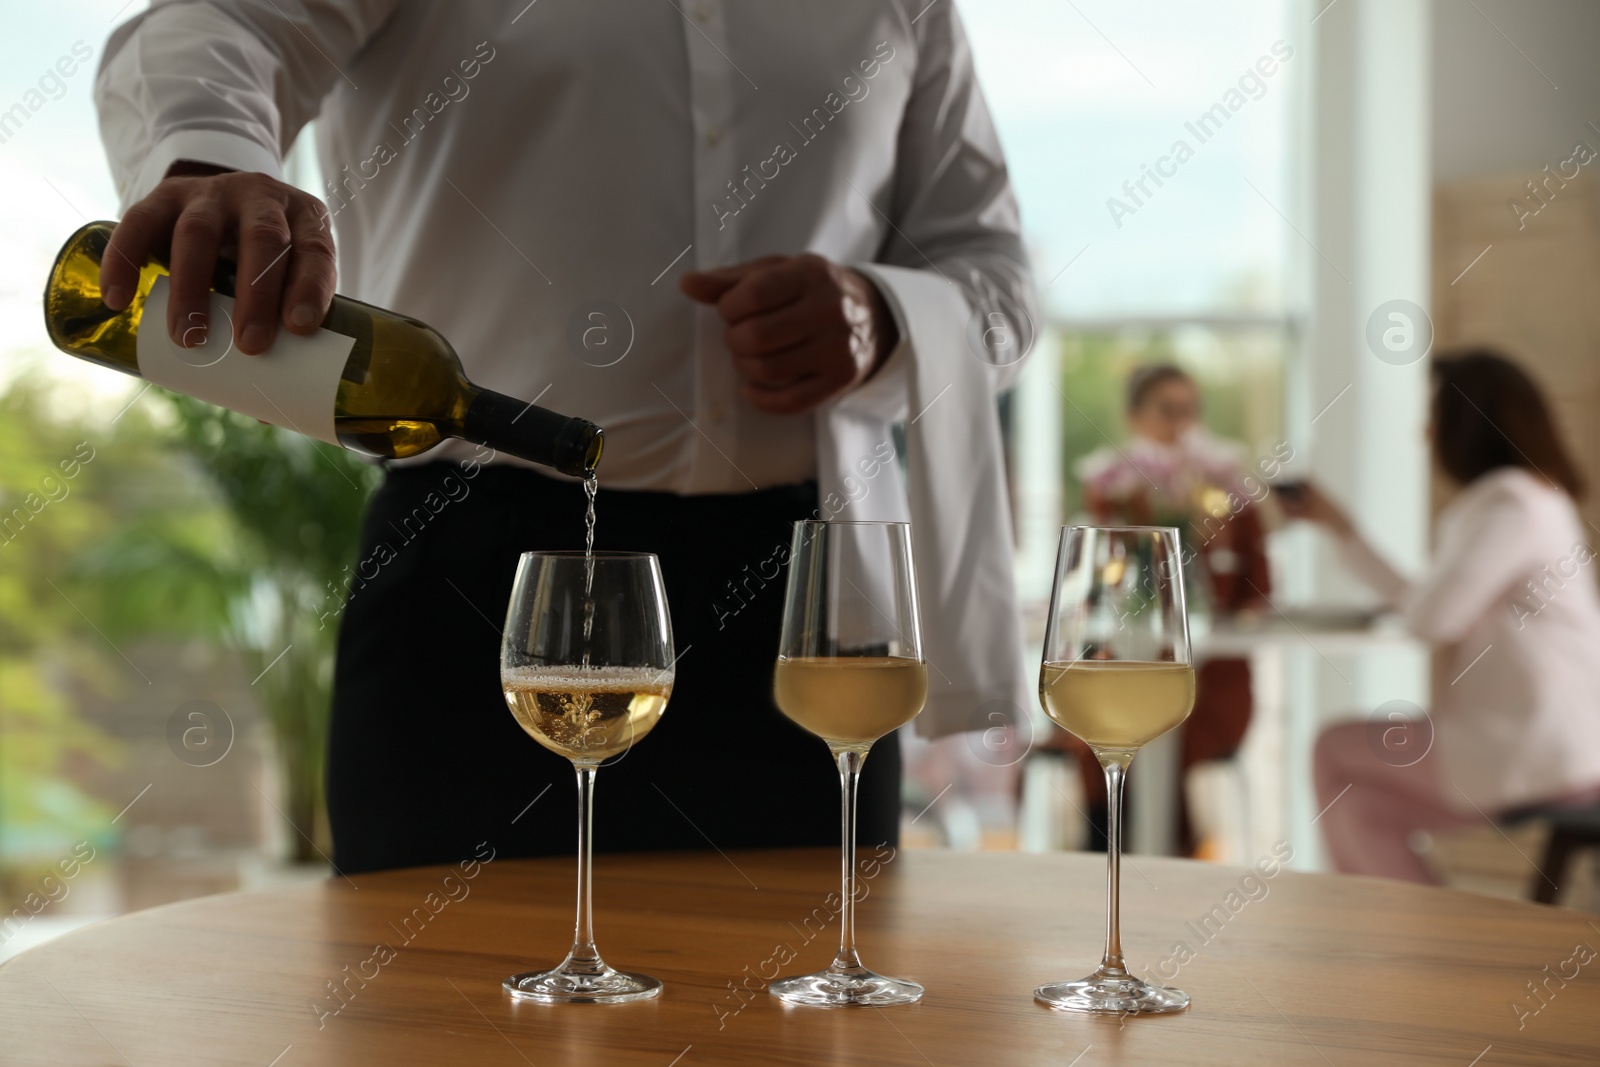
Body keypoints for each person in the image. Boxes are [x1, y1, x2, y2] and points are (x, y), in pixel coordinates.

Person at [94, 1, 1035, 873]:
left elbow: (996, 276)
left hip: (805, 619)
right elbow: (211, 26)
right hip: (474, 592)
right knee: (436, 1022)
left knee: (817, 1029)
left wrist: (883, 318)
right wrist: (207, 162)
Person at [1283, 349, 1600, 883]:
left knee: (1331, 747)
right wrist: (1342, 528)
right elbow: (1431, 605)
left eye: (1433, 414)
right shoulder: (1533, 498)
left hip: (1537, 747)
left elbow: (1432, 618)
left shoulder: (1510, 505)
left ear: (1464, 428)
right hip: (1539, 739)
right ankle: (1420, 946)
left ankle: (1411, 937)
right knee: (1361, 811)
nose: (1423, 431)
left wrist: (1347, 534)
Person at [1065, 364, 1272, 855]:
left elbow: (1261, 595)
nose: (1183, 423)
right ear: (1135, 417)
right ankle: (1111, 853)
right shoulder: (1112, 490)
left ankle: (1156, 860)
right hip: (1124, 662)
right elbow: (1095, 589)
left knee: (1171, 731)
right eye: (1167, 410)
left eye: (1191, 410)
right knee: (1093, 729)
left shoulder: (1230, 496)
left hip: (1212, 677)